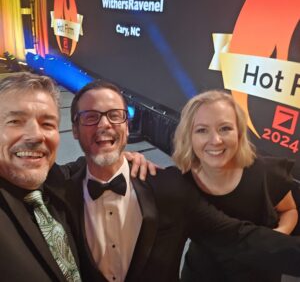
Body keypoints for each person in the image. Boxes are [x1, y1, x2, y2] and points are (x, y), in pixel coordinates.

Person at [63, 79, 300, 282]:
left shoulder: (171, 186)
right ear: (74, 128)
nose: (105, 124)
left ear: (127, 125)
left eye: (115, 116)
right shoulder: (58, 187)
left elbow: (238, 237)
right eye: (91, 117)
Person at [0, 72, 155, 282]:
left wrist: (118, 156)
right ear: (74, 129)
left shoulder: (55, 179)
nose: (35, 135)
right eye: (15, 121)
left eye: (47, 124)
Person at [172, 89, 299, 282]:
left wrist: (272, 241)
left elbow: (289, 210)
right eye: (202, 130)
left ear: (239, 132)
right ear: (189, 137)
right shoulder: (182, 180)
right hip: (201, 274)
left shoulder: (265, 172)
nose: (215, 140)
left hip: (258, 273)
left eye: (225, 128)